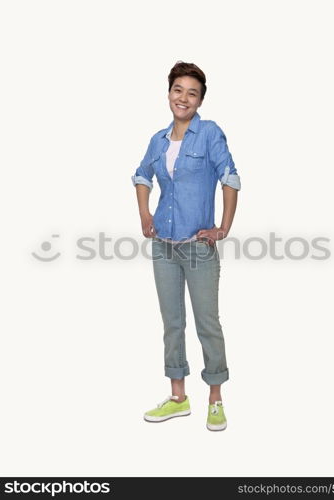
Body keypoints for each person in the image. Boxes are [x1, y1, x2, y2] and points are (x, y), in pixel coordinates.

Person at [131, 61, 241, 431]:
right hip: (163, 245)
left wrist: (222, 227)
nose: (184, 97)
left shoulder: (209, 134)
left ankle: (215, 400)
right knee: (172, 322)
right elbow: (141, 175)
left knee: (207, 323)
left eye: (192, 92)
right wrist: (145, 215)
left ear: (200, 100)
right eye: (178, 89)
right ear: (168, 94)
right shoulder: (158, 141)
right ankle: (178, 398)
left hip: (198, 248)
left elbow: (231, 178)